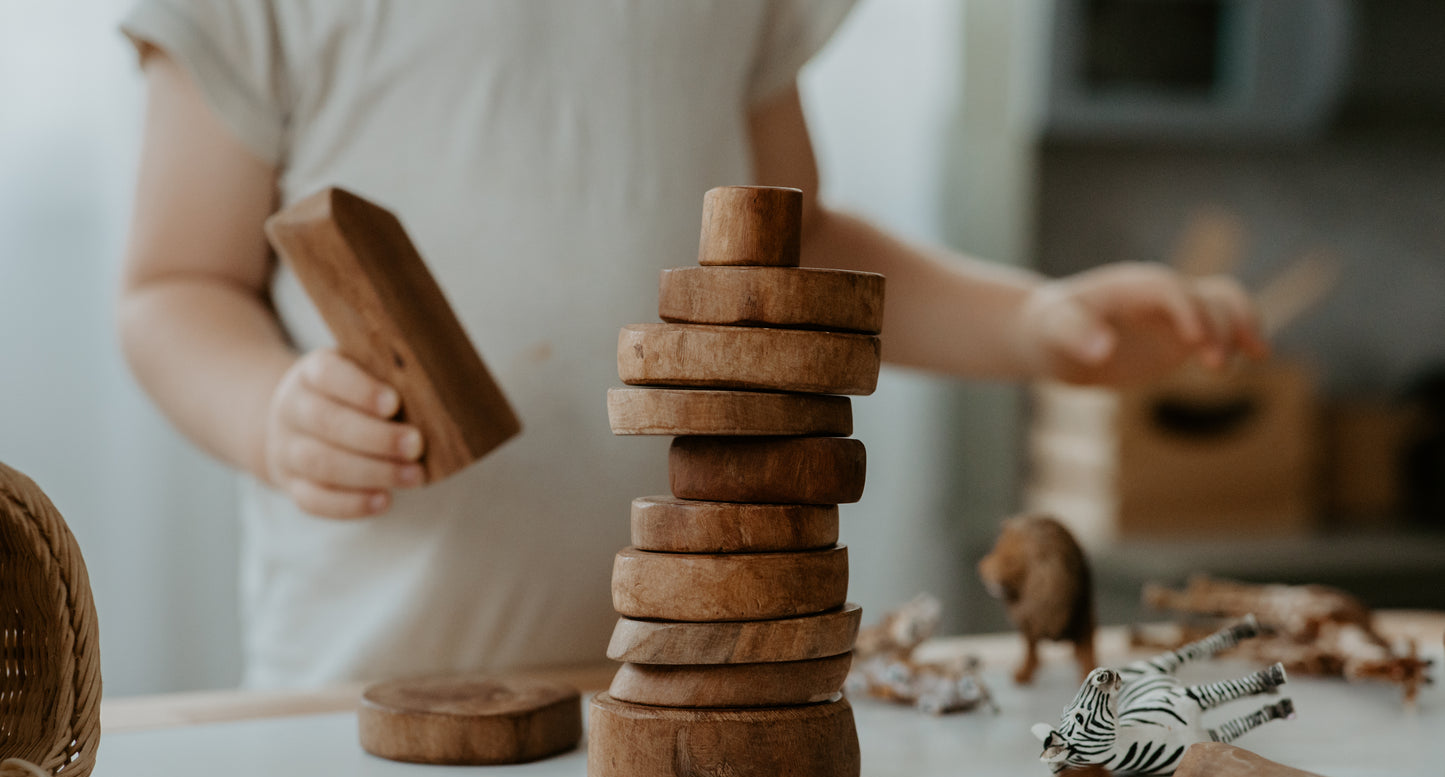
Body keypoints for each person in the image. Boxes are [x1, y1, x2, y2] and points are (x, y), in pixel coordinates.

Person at [117, 1, 1265, 688]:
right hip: (374, 682)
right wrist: (273, 414)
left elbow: (789, 247)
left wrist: (1027, 322)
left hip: (708, 687)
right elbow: (177, 284)